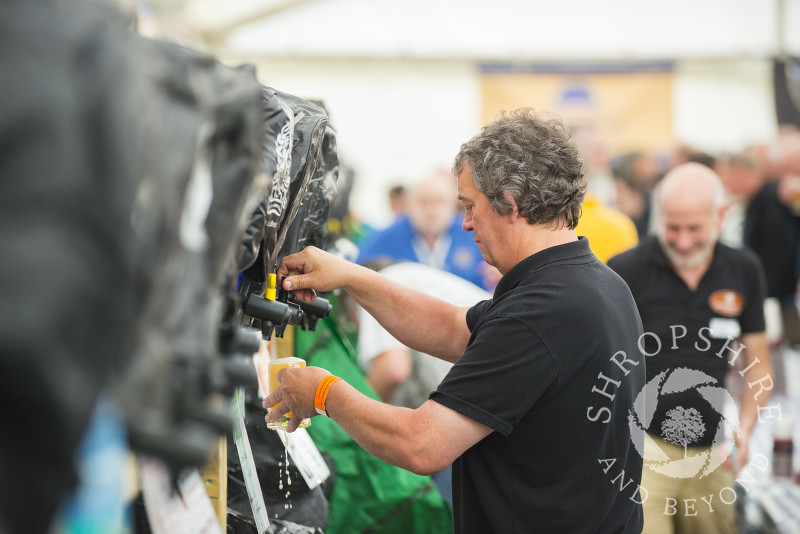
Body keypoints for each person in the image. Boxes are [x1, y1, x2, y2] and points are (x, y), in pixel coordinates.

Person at [263, 109, 646, 533]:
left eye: (470, 206)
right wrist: (350, 275)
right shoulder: (590, 282)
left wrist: (322, 392)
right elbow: (450, 327)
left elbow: (421, 444)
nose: (465, 223)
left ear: (511, 204)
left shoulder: (544, 312)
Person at [608, 163, 773, 534]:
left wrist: (745, 429)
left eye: (695, 229)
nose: (683, 242)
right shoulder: (625, 270)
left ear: (721, 216)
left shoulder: (744, 269)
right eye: (672, 228)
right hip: (643, 448)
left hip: (713, 449)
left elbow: (758, 364)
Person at [356, 169, 493, 291]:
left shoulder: (474, 235)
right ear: (409, 204)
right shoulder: (385, 238)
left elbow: (490, 285)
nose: (430, 211)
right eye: (423, 201)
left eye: (439, 201)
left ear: (453, 204)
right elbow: (359, 276)